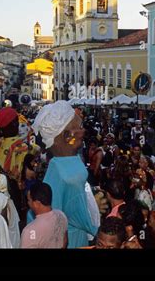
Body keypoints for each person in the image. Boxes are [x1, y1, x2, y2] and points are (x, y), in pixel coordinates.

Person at [31, 100, 98, 248]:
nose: (84, 131)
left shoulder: (63, 164)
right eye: (80, 127)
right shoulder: (66, 173)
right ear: (68, 136)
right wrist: (93, 207)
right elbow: (79, 212)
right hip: (70, 240)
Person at [21, 182, 68, 248]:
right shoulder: (61, 215)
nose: (28, 203)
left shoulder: (29, 231)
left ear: (36, 204)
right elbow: (65, 240)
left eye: (29, 200)